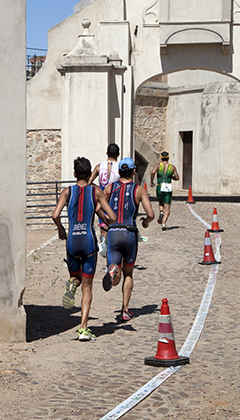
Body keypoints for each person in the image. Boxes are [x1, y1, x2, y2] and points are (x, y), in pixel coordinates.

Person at [52, 157, 116, 341]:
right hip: (88, 242)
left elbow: (55, 214)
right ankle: (83, 328)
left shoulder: (67, 191)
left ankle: (72, 283)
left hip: (72, 241)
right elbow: (111, 217)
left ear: (74, 174)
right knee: (87, 287)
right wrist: (102, 216)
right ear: (90, 175)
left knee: (75, 277)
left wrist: (61, 228)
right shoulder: (95, 192)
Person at [102, 157, 155, 321]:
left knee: (115, 268)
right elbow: (151, 214)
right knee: (129, 273)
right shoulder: (139, 190)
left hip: (113, 233)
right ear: (133, 171)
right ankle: (125, 310)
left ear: (118, 172)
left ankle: (113, 271)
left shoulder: (109, 188)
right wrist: (146, 222)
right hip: (129, 233)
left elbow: (101, 211)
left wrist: (104, 227)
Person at [90, 143, 120, 256]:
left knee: (104, 227)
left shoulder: (99, 166)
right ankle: (114, 251)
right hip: (115, 200)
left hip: (102, 202)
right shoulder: (119, 167)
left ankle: (103, 239)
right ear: (118, 154)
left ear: (107, 153)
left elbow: (89, 182)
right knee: (115, 227)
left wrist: (97, 189)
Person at [150, 151, 179, 229]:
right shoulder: (172, 167)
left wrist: (152, 181)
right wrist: (171, 177)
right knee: (167, 207)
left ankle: (161, 212)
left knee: (160, 202)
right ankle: (163, 223)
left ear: (161, 158)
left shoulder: (158, 166)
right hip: (168, 187)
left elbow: (152, 172)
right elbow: (177, 177)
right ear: (168, 158)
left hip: (160, 186)